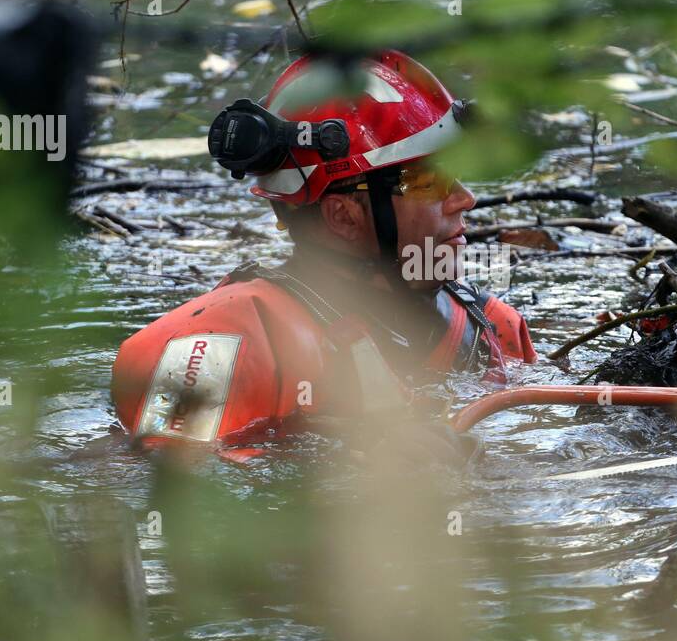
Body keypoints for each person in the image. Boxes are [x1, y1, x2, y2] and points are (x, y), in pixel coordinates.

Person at [110, 50, 536, 457]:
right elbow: (169, 496)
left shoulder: (493, 329)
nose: (466, 199)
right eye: (429, 183)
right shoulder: (218, 349)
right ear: (344, 216)